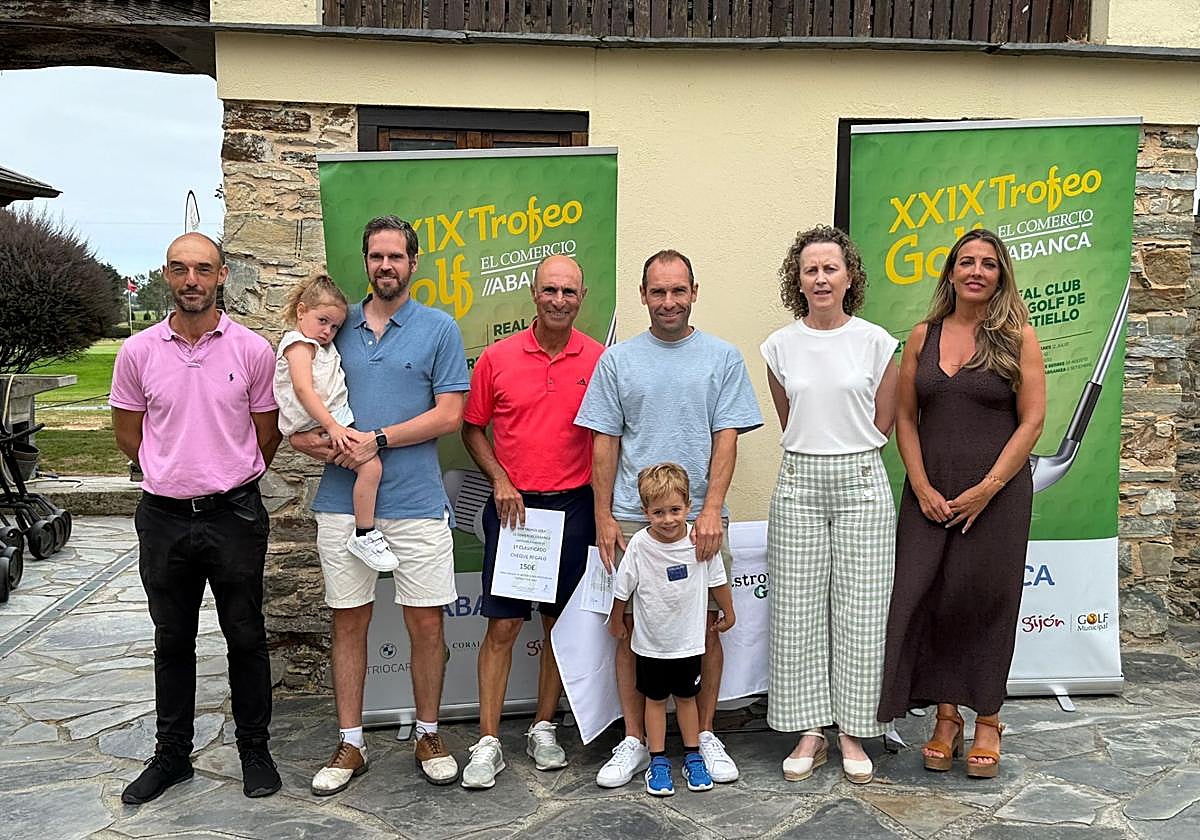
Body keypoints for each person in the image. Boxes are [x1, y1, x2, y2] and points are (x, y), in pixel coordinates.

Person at [292, 216, 469, 794]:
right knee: (350, 623)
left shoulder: (440, 329)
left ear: (413, 263)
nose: (386, 266)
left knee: (426, 623)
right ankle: (352, 742)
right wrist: (325, 445)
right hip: (343, 503)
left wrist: (379, 440)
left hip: (416, 501)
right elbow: (300, 408)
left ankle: (428, 732)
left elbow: (450, 416)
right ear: (365, 262)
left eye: (396, 257)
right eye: (376, 257)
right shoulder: (332, 327)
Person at [575, 249, 762, 788]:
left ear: (694, 292)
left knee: (707, 626)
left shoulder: (722, 358)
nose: (668, 301)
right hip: (633, 522)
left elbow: (727, 440)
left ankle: (703, 734)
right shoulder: (617, 363)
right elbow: (604, 443)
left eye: (678, 290)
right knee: (630, 632)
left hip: (700, 521)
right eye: (658, 292)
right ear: (643, 296)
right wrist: (605, 515)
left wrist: (709, 510)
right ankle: (635, 740)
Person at [110, 232, 282, 804]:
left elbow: (265, 435)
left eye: (203, 269)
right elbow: (129, 437)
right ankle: (171, 757)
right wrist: (176, 470)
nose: (192, 280)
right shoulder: (138, 352)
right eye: (181, 269)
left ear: (222, 276)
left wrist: (221, 471)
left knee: (246, 636)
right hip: (163, 517)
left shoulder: (252, 351)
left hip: (233, 512)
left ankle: (254, 751)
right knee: (172, 640)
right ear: (166, 275)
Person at [876, 228, 1046, 779]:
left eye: (988, 264)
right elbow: (905, 417)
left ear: (1001, 275)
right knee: (931, 599)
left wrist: (989, 487)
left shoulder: (1018, 336)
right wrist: (921, 485)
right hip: (929, 496)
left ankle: (988, 719)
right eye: (966, 262)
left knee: (985, 601)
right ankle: (945, 718)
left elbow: (1033, 421)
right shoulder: (923, 335)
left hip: (995, 496)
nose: (976, 271)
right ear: (950, 271)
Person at [759, 226, 899, 785]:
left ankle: (853, 730)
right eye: (810, 269)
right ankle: (810, 729)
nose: (820, 277)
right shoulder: (778, 346)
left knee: (862, 612)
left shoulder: (876, 342)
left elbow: (881, 421)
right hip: (799, 482)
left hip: (861, 480)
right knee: (797, 612)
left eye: (830, 268)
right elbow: (788, 420)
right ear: (799, 278)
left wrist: (849, 451)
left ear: (849, 278)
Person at [459, 254, 604, 789]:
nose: (559, 300)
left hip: (575, 508)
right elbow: (473, 428)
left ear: (581, 298)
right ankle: (489, 740)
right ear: (534, 293)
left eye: (569, 291)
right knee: (502, 627)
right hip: (514, 510)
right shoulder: (496, 359)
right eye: (550, 291)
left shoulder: (598, 358)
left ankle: (544, 726)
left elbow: (607, 436)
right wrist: (499, 479)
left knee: (559, 627)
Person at [608, 463, 736, 797]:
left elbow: (717, 581)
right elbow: (623, 587)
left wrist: (730, 609)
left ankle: (693, 756)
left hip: (689, 644)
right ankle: (658, 760)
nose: (668, 519)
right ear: (644, 511)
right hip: (650, 645)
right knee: (653, 701)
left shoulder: (699, 542)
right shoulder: (638, 544)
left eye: (675, 510)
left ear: (688, 507)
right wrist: (616, 619)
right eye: (659, 512)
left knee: (687, 699)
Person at [272, 273, 397, 572]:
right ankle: (364, 533)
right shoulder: (298, 345)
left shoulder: (321, 346)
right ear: (301, 311)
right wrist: (332, 426)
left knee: (369, 464)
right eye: (323, 320)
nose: (328, 331)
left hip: (330, 421)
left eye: (335, 326)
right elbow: (303, 389)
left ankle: (364, 531)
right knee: (370, 465)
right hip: (318, 423)